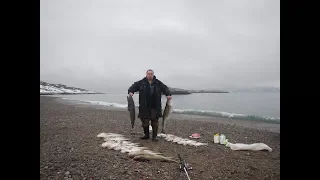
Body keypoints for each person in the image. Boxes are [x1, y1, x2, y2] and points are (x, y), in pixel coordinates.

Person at [128, 69, 172, 141]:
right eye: (149, 74)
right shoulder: (141, 83)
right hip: (144, 106)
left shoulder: (158, 83)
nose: (150, 75)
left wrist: (168, 94)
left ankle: (154, 137)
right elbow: (133, 87)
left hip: (155, 106)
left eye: (151, 74)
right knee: (145, 122)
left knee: (155, 122)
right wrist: (131, 91)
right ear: (146, 74)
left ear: (153, 74)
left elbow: (165, 88)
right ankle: (146, 135)